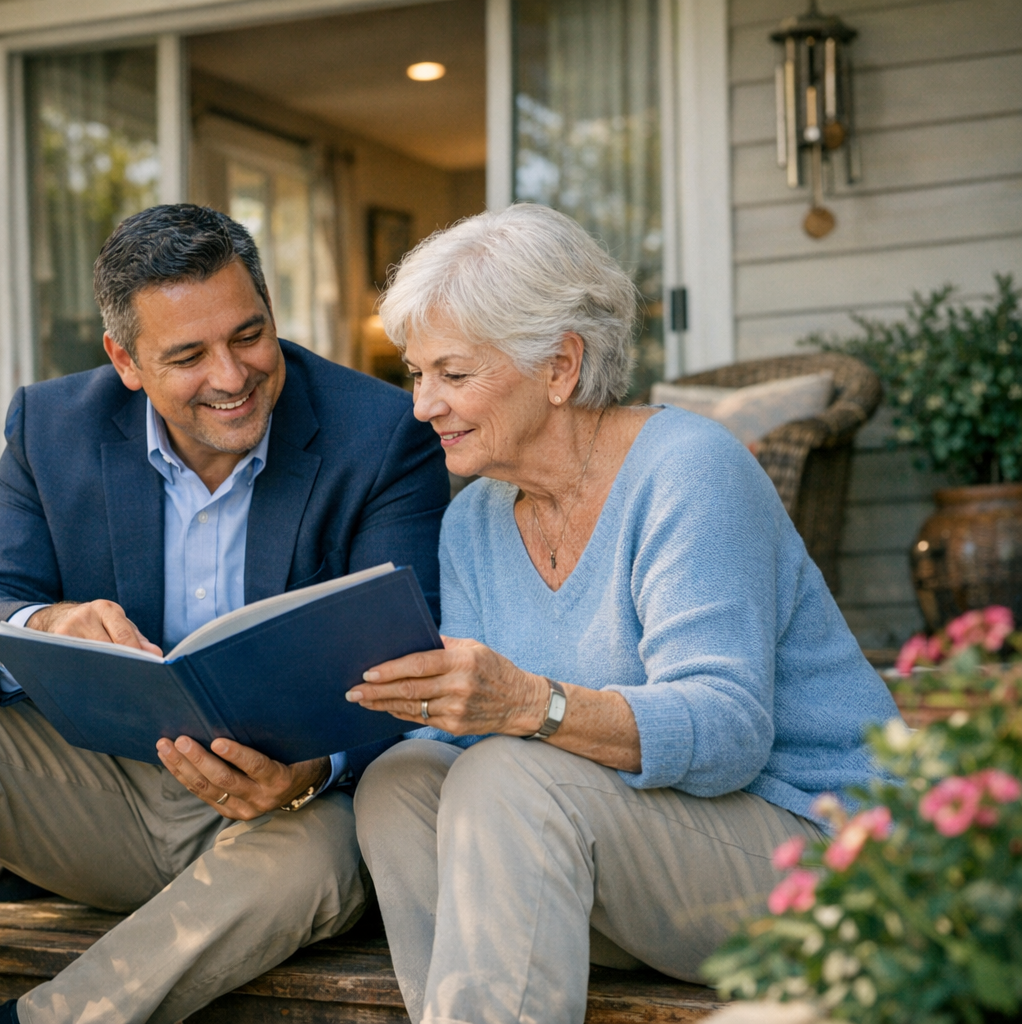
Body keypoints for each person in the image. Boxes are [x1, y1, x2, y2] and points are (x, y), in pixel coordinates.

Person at [0, 204, 449, 1024]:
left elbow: (412, 654)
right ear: (125, 360)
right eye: (187, 355)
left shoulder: (382, 436)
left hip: (283, 820)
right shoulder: (52, 427)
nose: (231, 376)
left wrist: (308, 772)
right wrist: (48, 624)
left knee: (322, 854)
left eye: (248, 335)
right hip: (99, 795)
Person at [344, 204, 900, 1024]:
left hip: (824, 856)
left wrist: (529, 704)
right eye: (415, 374)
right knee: (401, 783)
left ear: (560, 366)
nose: (423, 406)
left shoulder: (688, 471)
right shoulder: (473, 518)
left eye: (453, 375)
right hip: (642, 859)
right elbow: (462, 735)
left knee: (510, 771)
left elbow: (727, 733)